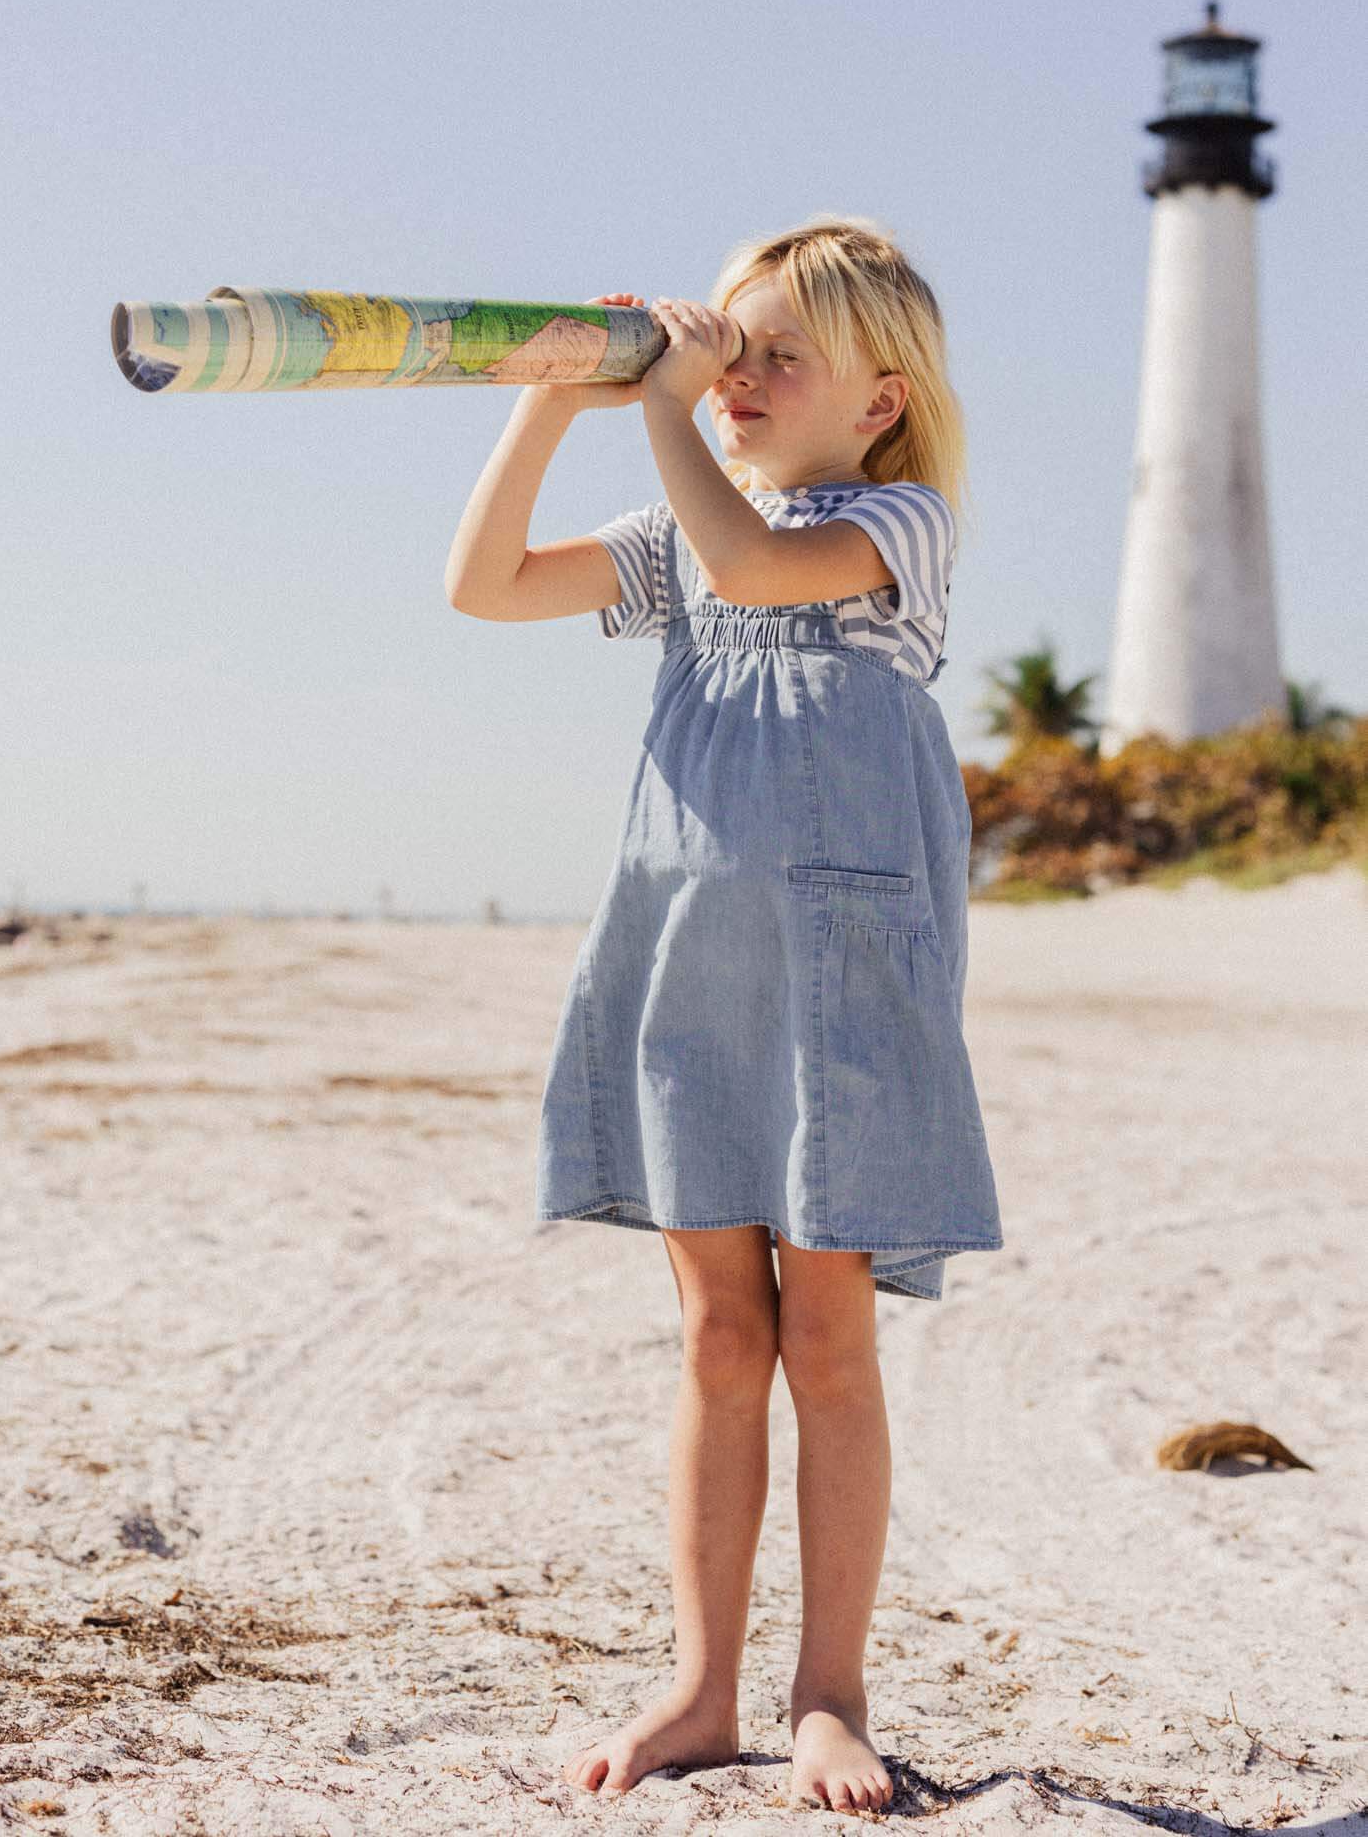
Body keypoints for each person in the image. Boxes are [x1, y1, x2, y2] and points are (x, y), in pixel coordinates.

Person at [444, 214, 1004, 1815]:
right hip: (690, 958)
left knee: (826, 1337)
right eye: (729, 350)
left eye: (780, 359)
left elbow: (757, 568)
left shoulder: (897, 521)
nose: (739, 378)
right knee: (717, 1335)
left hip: (847, 970)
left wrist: (670, 411)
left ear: (881, 401)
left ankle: (831, 1694)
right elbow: (484, 586)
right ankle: (700, 1686)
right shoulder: (684, 517)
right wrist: (551, 403)